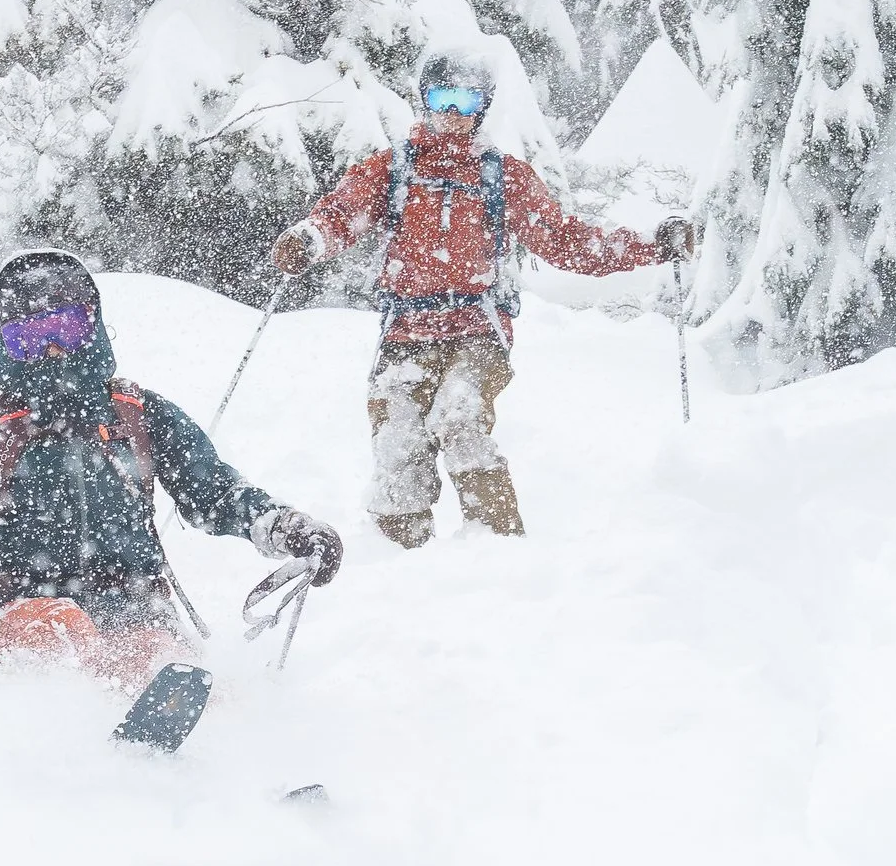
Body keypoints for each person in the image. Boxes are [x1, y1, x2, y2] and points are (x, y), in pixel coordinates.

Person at [0, 250, 343, 724]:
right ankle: (59, 764)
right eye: (27, 339)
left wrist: (283, 527)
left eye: (62, 329)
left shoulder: (139, 415)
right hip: (20, 601)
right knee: (63, 638)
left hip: (134, 601)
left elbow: (215, 492)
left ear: (91, 328)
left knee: (176, 678)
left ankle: (229, 778)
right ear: (4, 347)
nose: (49, 352)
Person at [271, 44, 695, 547]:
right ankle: (397, 554)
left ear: (483, 108)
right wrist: (310, 239)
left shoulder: (501, 176)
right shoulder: (393, 170)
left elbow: (567, 241)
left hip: (476, 328)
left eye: (467, 101)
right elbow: (344, 213)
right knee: (397, 437)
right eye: (442, 96)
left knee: (461, 415)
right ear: (423, 99)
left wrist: (650, 246)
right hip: (405, 332)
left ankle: (496, 545)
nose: (452, 112)